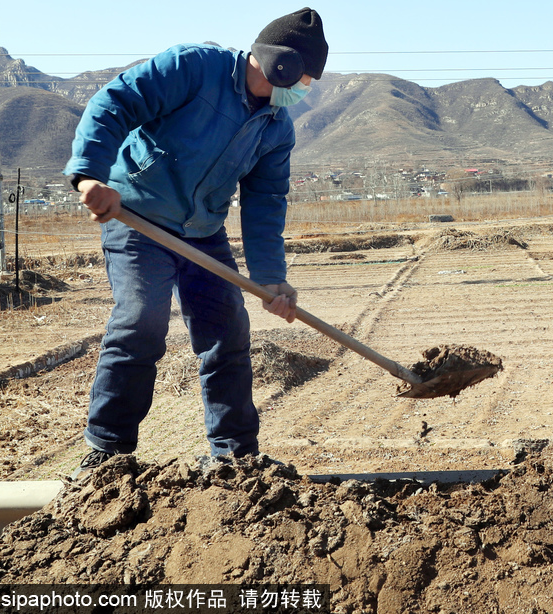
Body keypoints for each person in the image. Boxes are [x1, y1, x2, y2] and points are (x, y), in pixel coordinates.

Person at [63, 7, 328, 478]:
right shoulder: (193, 68)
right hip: (137, 219)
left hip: (203, 234)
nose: (304, 90)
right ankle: (107, 454)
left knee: (228, 332)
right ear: (279, 66)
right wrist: (89, 177)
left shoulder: (275, 127)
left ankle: (235, 457)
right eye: (304, 79)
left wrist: (271, 280)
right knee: (139, 320)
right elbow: (114, 103)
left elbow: (266, 203)